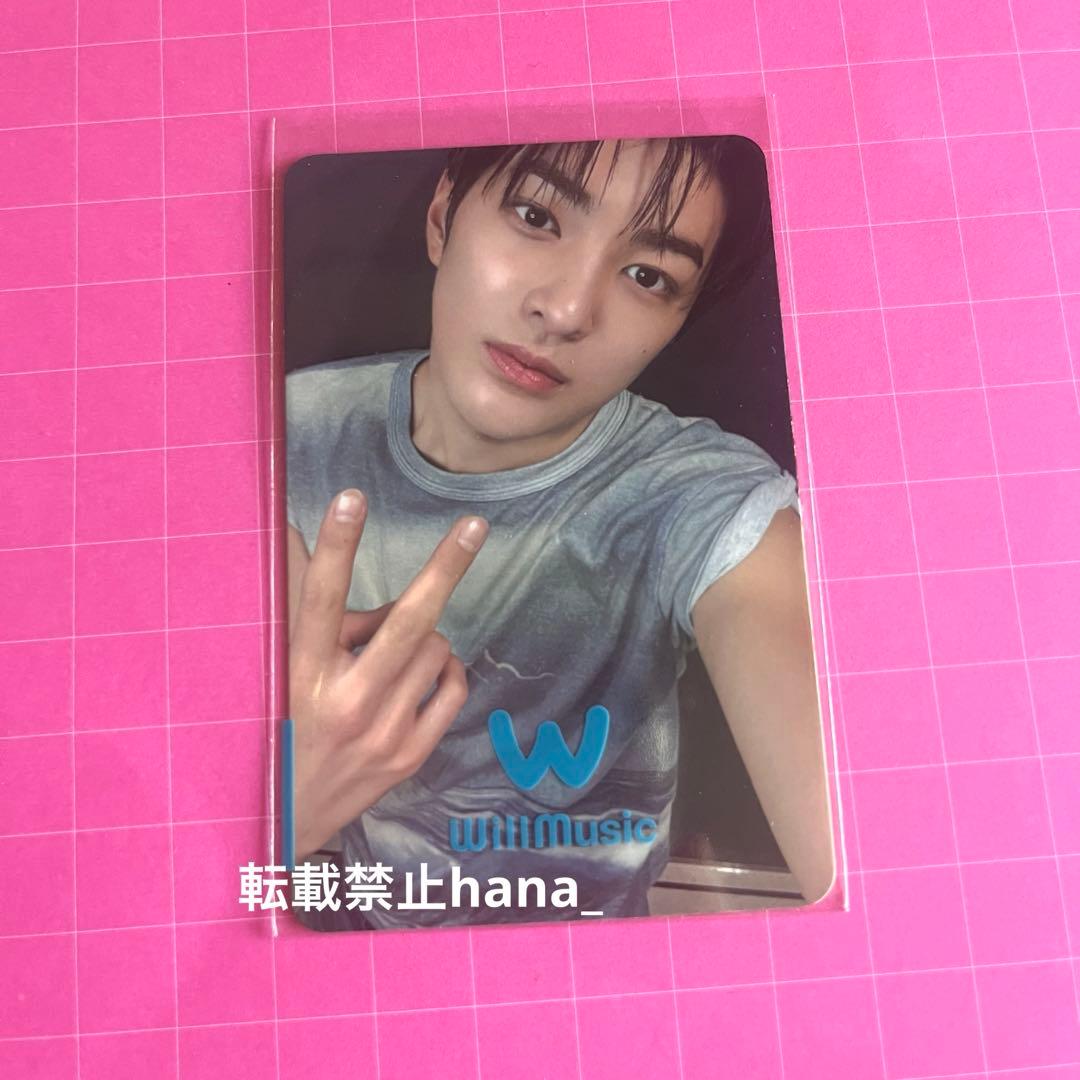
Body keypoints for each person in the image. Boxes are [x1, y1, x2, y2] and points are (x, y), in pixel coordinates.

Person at [285, 137, 835, 928]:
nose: (569, 310)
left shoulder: (692, 498)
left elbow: (896, 893)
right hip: (352, 942)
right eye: (536, 216)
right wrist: (290, 806)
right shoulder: (288, 437)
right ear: (443, 218)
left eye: (649, 276)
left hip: (589, 981)